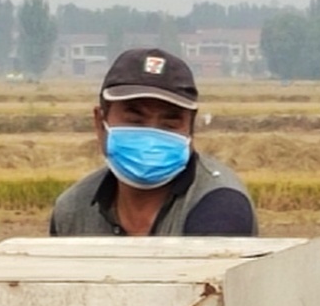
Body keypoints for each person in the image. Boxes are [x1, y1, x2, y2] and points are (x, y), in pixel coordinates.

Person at [47, 46, 257, 238]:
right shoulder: (73, 211)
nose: (150, 135)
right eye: (135, 120)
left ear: (191, 131)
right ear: (100, 123)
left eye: (169, 123)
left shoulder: (220, 208)